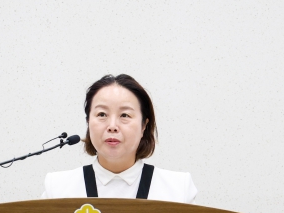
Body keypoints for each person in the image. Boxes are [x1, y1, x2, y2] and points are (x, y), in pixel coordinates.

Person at [41, 74, 197, 203]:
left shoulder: (178, 189)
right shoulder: (58, 188)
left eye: (125, 115)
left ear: (144, 125)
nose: (112, 126)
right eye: (102, 114)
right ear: (88, 122)